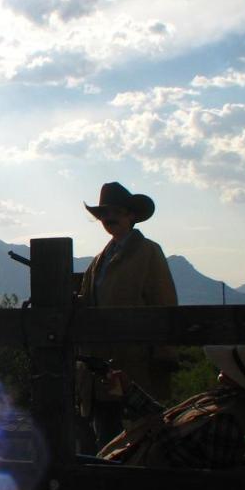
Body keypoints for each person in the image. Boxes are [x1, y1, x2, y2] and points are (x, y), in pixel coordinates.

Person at [76, 182, 178, 452]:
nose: (109, 219)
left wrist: (163, 355)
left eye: (117, 212)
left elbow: (164, 304)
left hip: (137, 369)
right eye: (105, 214)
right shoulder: (98, 260)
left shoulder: (149, 253)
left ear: (131, 215)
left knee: (141, 443)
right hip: (100, 373)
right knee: (107, 443)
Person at [98, 344, 245, 469]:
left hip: (147, 486)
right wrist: (129, 391)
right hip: (140, 475)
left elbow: (181, 460)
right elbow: (169, 422)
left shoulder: (227, 420)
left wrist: (157, 429)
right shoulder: (223, 404)